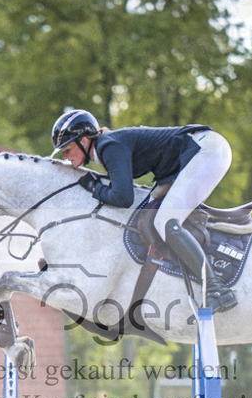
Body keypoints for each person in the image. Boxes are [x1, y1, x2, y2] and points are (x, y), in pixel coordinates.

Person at [51, 109, 237, 313]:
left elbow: (123, 197)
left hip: (206, 151)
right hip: (190, 156)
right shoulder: (107, 146)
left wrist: (94, 188)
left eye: (67, 149)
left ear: (84, 141)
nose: (65, 156)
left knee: (165, 222)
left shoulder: (109, 146)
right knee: (147, 216)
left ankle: (217, 290)